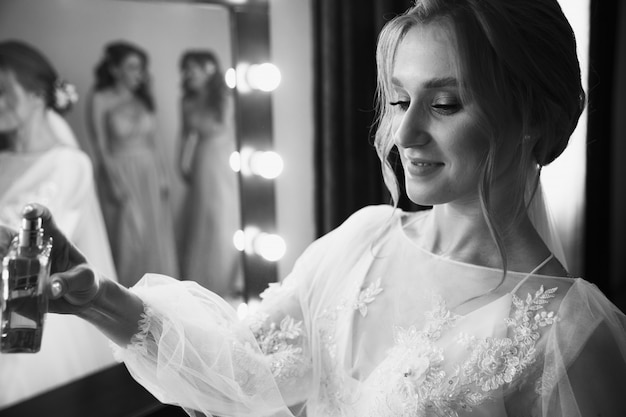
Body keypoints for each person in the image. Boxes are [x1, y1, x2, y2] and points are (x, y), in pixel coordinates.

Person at [2, 1, 625, 416]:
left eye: (445, 104)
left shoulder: (572, 335)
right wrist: (101, 301)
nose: (404, 137)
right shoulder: (364, 239)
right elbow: (240, 370)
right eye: (400, 99)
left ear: (532, 118)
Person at [0, 40, 118, 408]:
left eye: (3, 90)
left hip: (28, 309)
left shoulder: (69, 164)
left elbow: (32, 248)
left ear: (37, 94)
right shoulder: (2, 158)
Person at [86, 41, 179, 286]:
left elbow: (155, 140)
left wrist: (163, 176)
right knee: (127, 237)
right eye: (132, 67)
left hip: (149, 171)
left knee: (153, 235)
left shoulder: (143, 97)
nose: (139, 73)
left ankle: (157, 294)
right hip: (119, 172)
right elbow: (100, 145)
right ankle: (125, 295)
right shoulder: (100, 98)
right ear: (115, 69)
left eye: (141, 67)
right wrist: (113, 183)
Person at [177, 50, 242, 297]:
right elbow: (184, 135)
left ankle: (228, 276)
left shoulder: (224, 97)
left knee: (224, 215)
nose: (187, 74)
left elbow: (231, 129)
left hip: (225, 158)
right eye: (185, 70)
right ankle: (203, 278)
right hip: (203, 159)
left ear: (209, 69)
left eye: (192, 68)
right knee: (203, 217)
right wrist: (181, 161)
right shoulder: (187, 100)